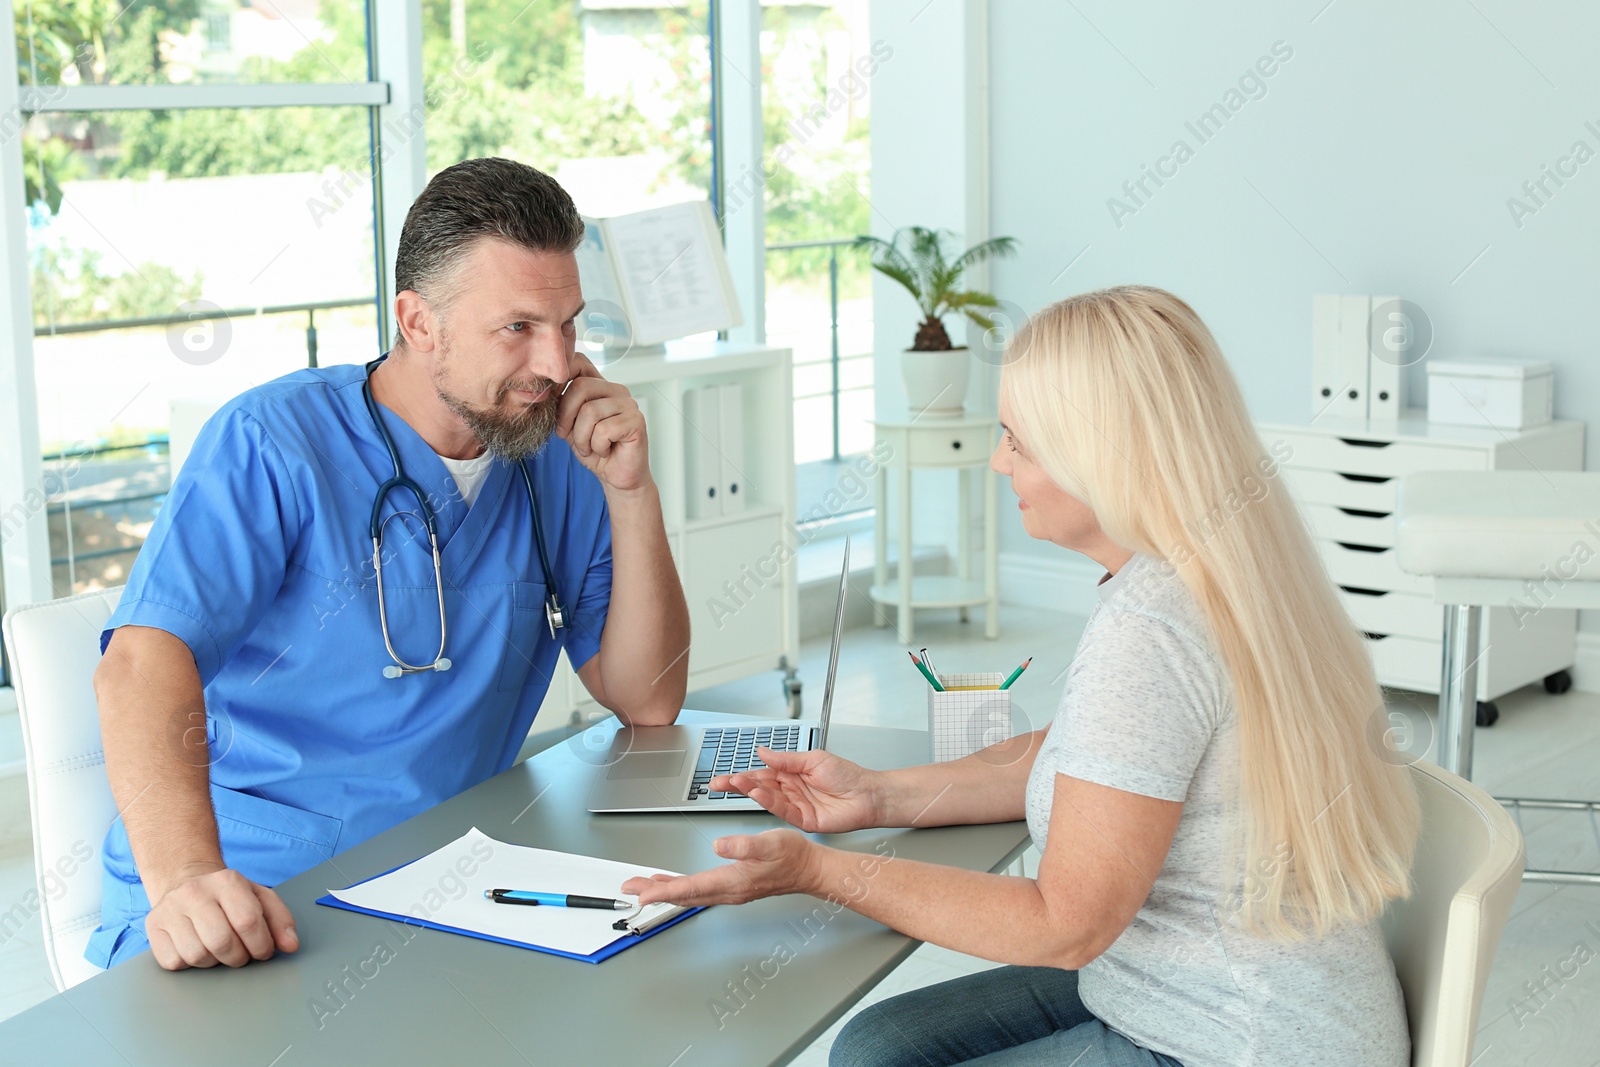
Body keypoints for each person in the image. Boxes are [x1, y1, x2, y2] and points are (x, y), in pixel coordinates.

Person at [623, 286, 1419, 1067]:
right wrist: (881, 795)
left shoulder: (1153, 629)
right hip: (1202, 989)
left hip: (1235, 1039)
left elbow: (1062, 925)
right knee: (876, 1046)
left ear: (1100, 457)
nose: (1000, 460)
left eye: (1019, 440)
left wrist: (818, 873)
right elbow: (1098, 758)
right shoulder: (1220, 565)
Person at [91, 157, 690, 972]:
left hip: (449, 881)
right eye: (517, 327)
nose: (556, 365)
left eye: (570, 324)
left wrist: (631, 489)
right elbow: (141, 660)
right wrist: (188, 877)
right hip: (253, 893)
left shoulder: (554, 456)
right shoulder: (274, 443)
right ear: (418, 322)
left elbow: (648, 699)